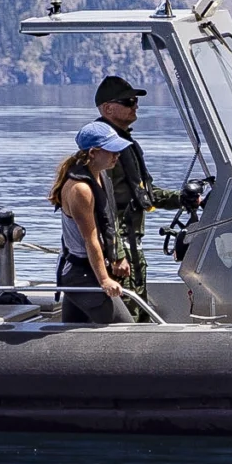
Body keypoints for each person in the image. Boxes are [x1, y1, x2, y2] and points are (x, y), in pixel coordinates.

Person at [92, 74, 182, 274]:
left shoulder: (125, 144)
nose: (135, 106)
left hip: (132, 243)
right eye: (128, 101)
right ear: (107, 108)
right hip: (120, 247)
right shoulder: (104, 149)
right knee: (127, 304)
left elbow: (143, 192)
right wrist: (116, 253)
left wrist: (183, 198)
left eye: (136, 101)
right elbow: (102, 205)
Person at [53, 125, 135, 324]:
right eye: (112, 151)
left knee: (74, 329)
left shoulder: (100, 175)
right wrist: (104, 280)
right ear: (93, 152)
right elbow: (91, 240)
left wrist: (116, 257)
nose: (117, 155)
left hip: (88, 269)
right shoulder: (80, 189)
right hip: (80, 273)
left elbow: (108, 225)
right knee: (126, 330)